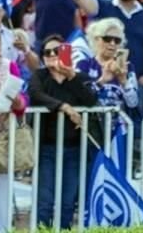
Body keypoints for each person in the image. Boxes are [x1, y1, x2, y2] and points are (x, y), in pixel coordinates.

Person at [28, 34, 98, 229]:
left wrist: (72, 77)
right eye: (47, 52)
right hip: (47, 148)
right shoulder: (40, 76)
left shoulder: (78, 77)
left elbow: (91, 100)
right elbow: (35, 94)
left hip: (74, 149)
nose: (51, 55)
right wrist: (63, 106)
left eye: (57, 51)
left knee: (68, 202)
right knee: (45, 201)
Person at [0, 27, 27, 232]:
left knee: (1, 189)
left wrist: (19, 103)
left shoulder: (9, 67)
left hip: (2, 139)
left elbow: (22, 98)